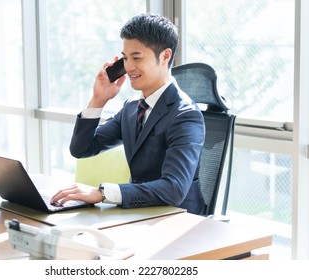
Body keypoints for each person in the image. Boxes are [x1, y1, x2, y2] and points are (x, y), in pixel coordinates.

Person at [51, 13, 206, 215]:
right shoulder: (132, 108)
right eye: (125, 58)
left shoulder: (186, 115)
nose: (128, 67)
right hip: (137, 213)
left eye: (137, 58)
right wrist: (99, 100)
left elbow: (174, 188)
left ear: (165, 56)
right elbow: (82, 149)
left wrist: (102, 193)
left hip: (179, 222)